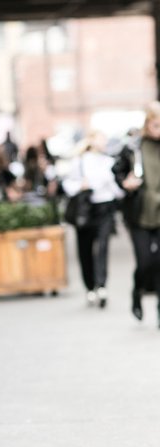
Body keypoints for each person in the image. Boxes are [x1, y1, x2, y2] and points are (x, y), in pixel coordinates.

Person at [62, 130, 124, 308]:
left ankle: (102, 285)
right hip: (85, 210)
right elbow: (68, 184)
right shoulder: (80, 161)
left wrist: (125, 189)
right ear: (91, 140)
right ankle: (90, 287)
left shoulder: (108, 161)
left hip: (105, 208)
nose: (103, 142)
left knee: (103, 247)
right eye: (100, 138)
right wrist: (80, 186)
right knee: (85, 250)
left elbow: (115, 187)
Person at [113, 107, 160, 326]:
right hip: (140, 214)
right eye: (156, 124)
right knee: (145, 263)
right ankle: (137, 292)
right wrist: (125, 183)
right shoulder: (133, 147)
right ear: (147, 123)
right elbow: (117, 171)